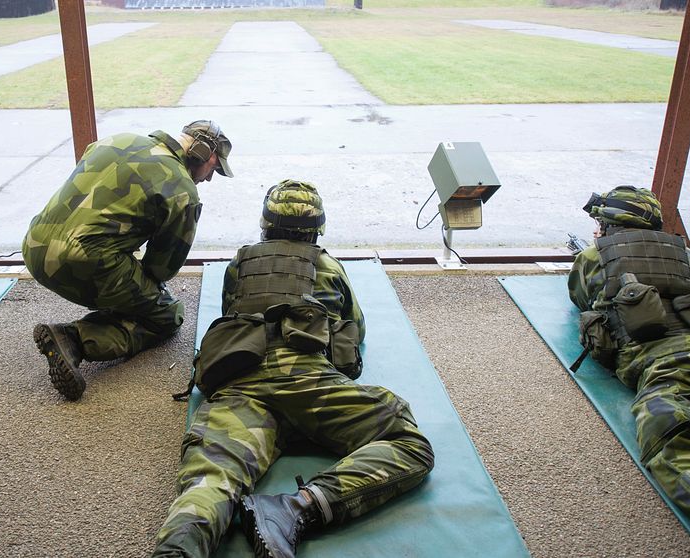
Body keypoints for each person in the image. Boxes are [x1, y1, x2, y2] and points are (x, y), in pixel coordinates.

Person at [152, 180, 435, 558]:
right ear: (317, 228)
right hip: (309, 381)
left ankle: (177, 550)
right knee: (408, 441)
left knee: (213, 477)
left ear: (265, 225)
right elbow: (356, 326)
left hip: (240, 382)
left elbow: (231, 313)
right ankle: (297, 507)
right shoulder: (327, 265)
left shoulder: (240, 262)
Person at [568, 185, 690, 557]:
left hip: (675, 371)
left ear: (607, 226)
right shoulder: (688, 254)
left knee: (683, 455)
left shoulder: (592, 256)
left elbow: (580, 295)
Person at [24, 120, 234, 401]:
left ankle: (112, 303)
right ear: (201, 152)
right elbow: (161, 269)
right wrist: (148, 290)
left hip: (33, 247)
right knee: (167, 315)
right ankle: (73, 338)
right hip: (80, 264)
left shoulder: (118, 139)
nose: (209, 178)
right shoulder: (183, 189)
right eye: (214, 167)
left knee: (133, 282)